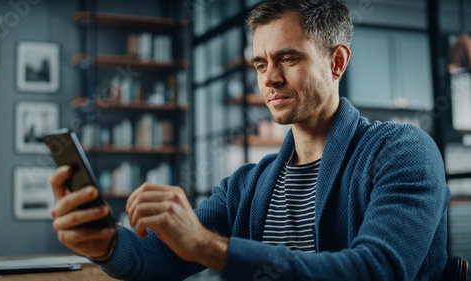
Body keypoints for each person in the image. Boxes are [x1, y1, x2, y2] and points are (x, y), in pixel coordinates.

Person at [49, 0, 450, 280]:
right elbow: (158, 260)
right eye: (261, 63)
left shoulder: (402, 150)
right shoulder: (247, 185)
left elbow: (375, 271)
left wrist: (208, 247)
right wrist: (104, 243)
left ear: (336, 61)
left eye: (288, 59)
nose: (269, 78)